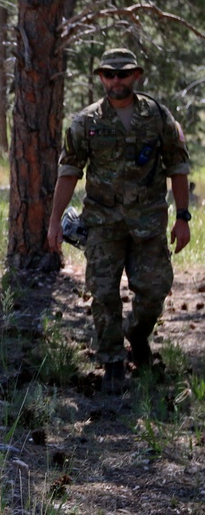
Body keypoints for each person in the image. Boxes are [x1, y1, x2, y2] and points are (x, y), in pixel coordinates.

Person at [47, 48, 191, 394]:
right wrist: (54, 223)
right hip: (103, 223)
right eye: (109, 75)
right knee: (104, 293)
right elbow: (69, 173)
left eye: (123, 74)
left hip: (148, 223)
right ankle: (112, 360)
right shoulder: (86, 122)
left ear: (136, 75)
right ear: (100, 78)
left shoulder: (157, 116)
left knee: (154, 290)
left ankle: (137, 337)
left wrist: (183, 217)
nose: (116, 81)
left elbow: (178, 166)